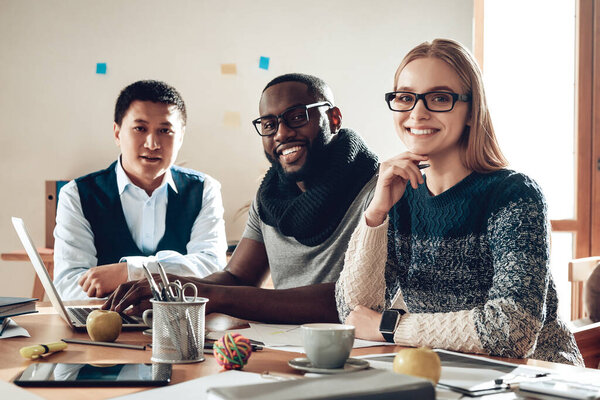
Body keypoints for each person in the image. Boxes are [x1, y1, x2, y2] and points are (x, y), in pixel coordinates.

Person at [335, 39, 584, 366]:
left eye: (439, 98)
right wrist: (375, 215)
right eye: (406, 98)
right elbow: (353, 312)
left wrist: (390, 328)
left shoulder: (514, 195)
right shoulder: (398, 194)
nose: (417, 113)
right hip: (447, 375)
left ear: (471, 110)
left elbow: (513, 331)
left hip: (537, 380)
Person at [103, 73, 379, 323]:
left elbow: (351, 298)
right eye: (269, 124)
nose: (281, 133)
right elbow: (238, 277)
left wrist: (209, 293)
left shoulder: (379, 191)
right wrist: (174, 290)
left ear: (334, 119)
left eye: (297, 117)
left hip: (361, 352)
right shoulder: (270, 197)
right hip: (286, 348)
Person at [54, 80, 228, 300]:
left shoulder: (204, 190)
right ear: (117, 133)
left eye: (165, 130)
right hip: (103, 328)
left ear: (181, 136)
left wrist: (129, 272)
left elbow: (211, 268)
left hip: (184, 326)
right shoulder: (77, 195)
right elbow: (68, 285)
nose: (152, 143)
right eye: (140, 128)